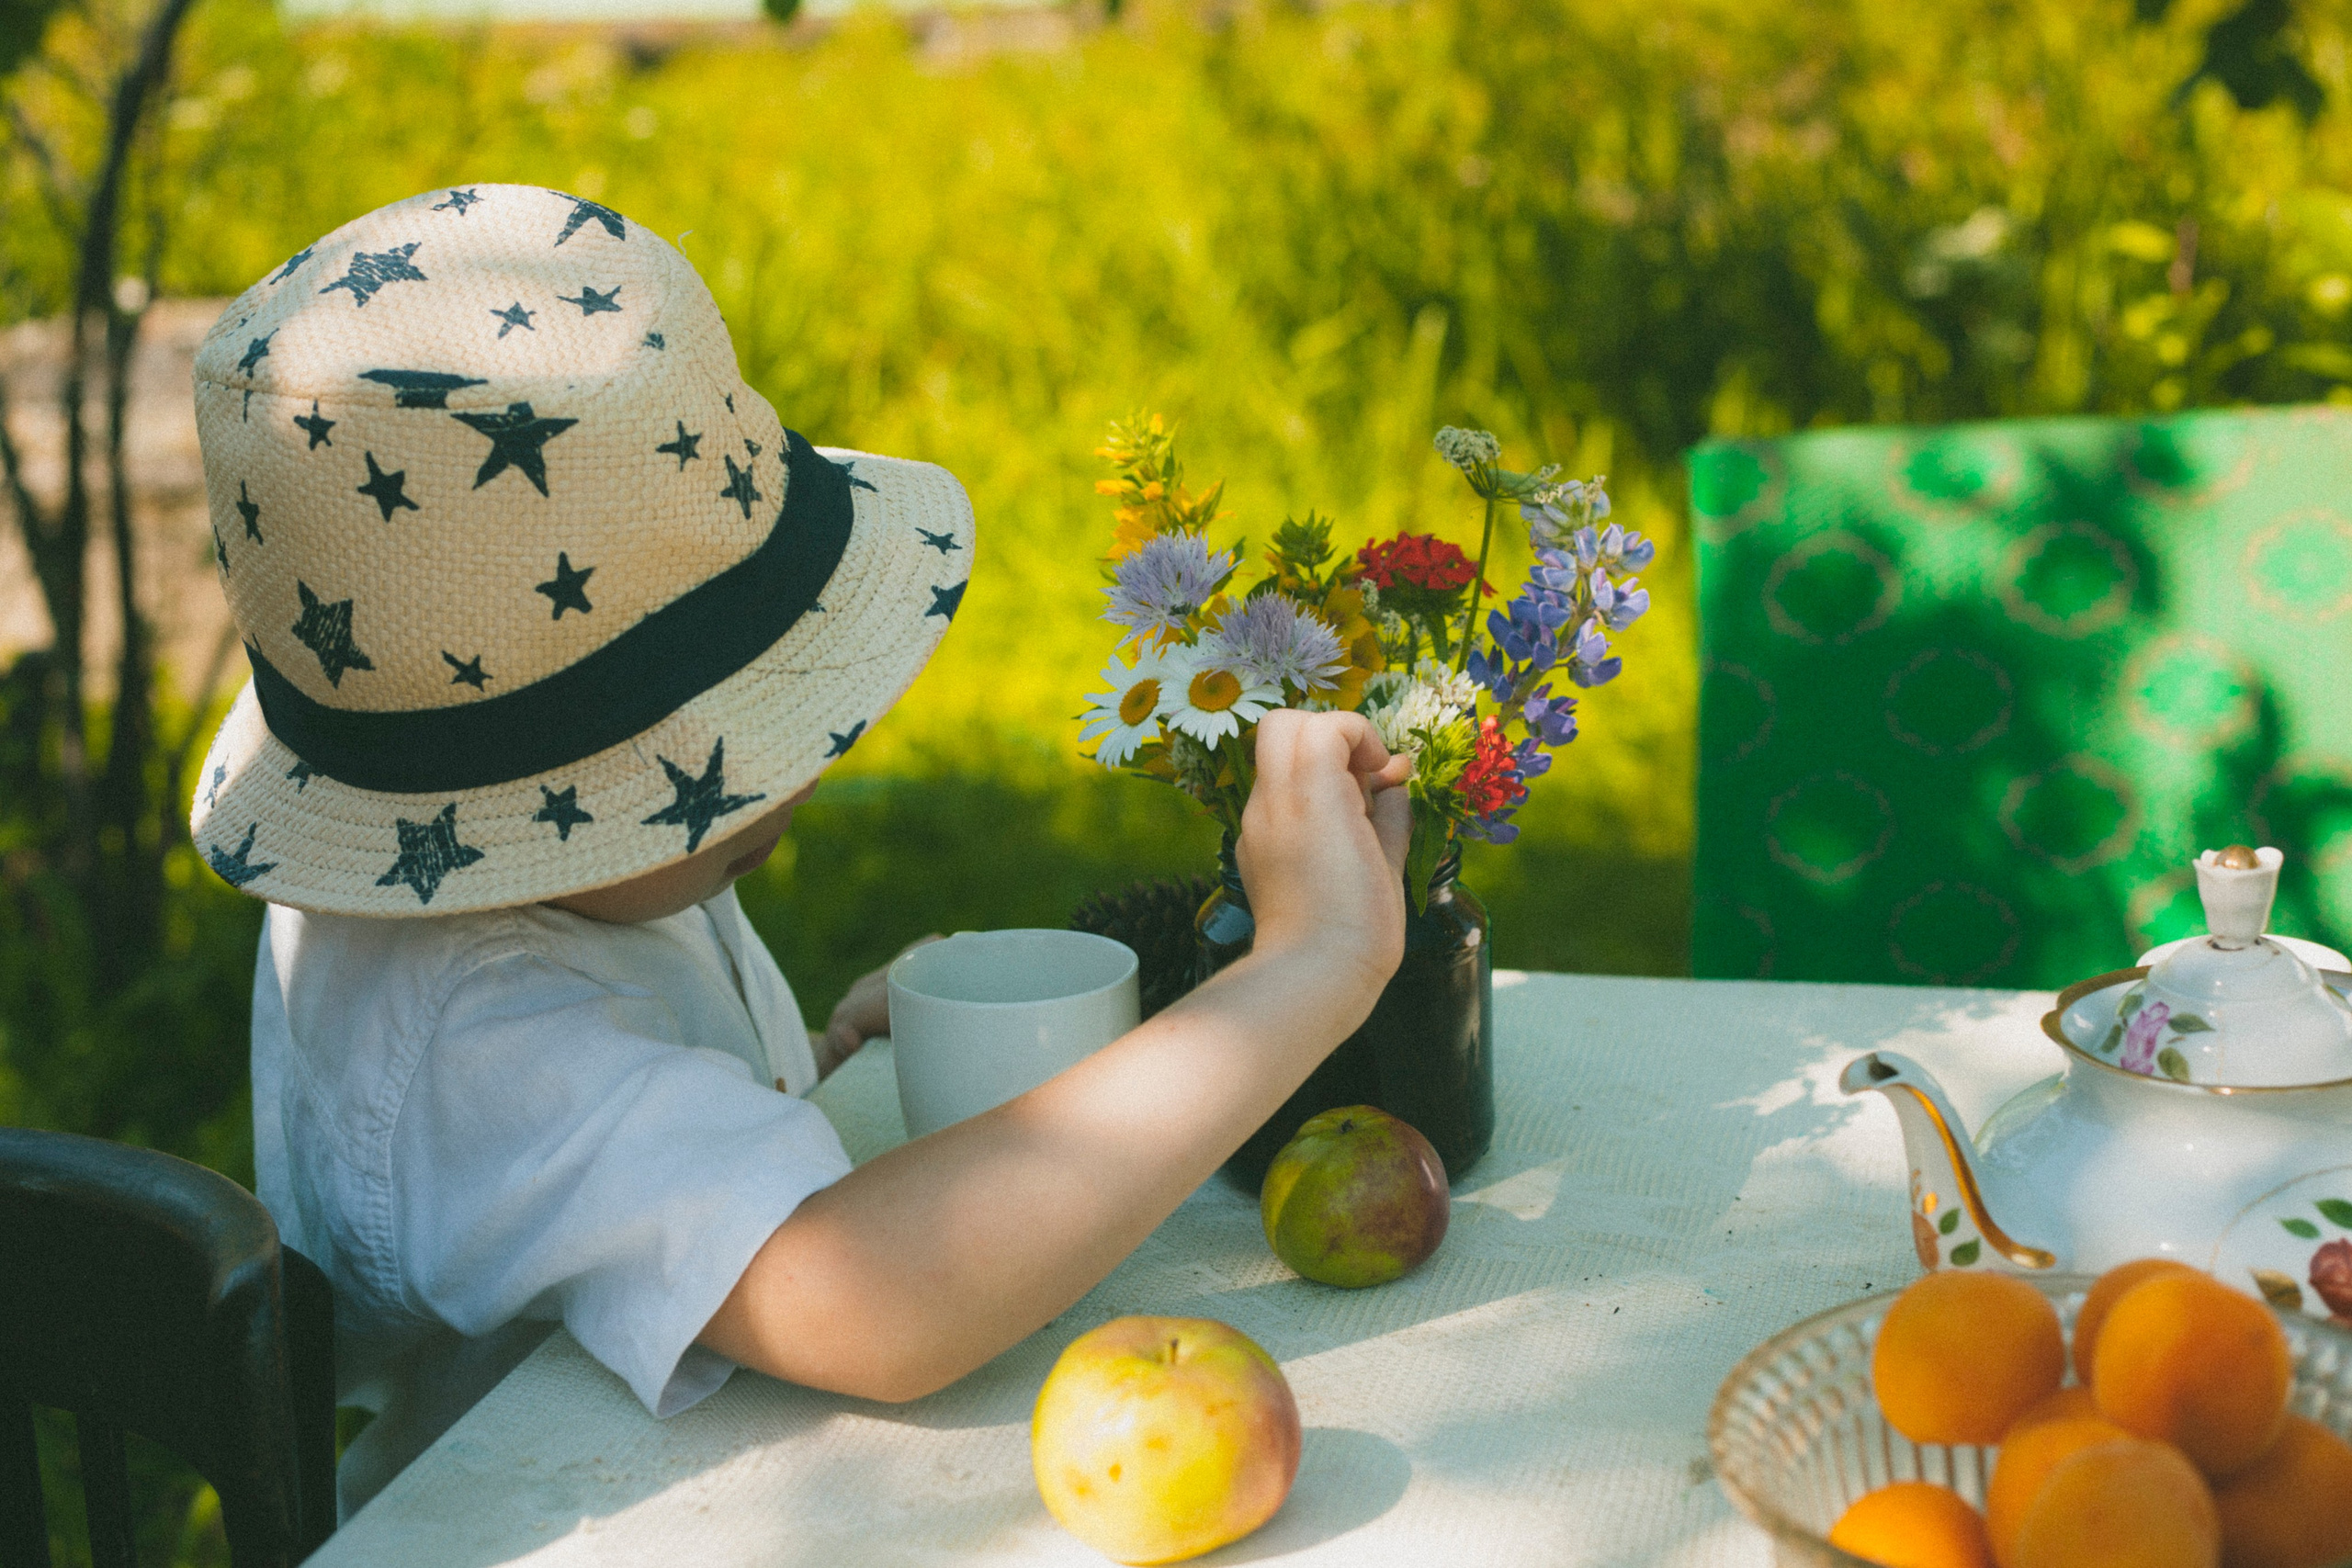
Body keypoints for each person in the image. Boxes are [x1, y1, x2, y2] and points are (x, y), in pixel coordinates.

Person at [187, 184, 1410, 1516]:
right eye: (733, 748)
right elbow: (881, 1301)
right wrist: (1312, 965)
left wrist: (796, 1074)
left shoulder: (528, 855)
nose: (803, 768)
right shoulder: (478, 1025)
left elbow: (581, 1185)